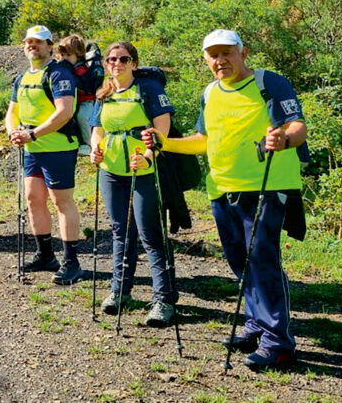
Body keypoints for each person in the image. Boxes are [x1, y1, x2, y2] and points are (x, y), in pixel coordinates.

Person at [144, 29, 306, 372]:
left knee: (261, 259)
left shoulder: (268, 82)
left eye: (227, 52)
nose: (220, 60)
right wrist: (164, 142)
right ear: (205, 59)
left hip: (266, 185)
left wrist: (284, 140)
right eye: (213, 55)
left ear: (243, 52)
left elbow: (296, 127)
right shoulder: (210, 92)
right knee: (239, 260)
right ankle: (256, 325)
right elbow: (203, 140)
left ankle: (278, 343)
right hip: (221, 188)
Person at [88, 42, 177, 327]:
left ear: (134, 63)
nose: (117, 63)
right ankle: (119, 290)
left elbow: (162, 125)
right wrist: (95, 148)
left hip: (143, 169)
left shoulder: (148, 89)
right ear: (105, 63)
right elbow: (97, 128)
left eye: (123, 59)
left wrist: (150, 156)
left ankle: (163, 299)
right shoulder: (104, 92)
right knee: (120, 230)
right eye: (112, 59)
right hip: (111, 169)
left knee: (149, 233)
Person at [6, 25, 83, 285]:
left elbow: (64, 111)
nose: (32, 46)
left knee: (62, 202)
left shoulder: (59, 73)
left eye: (38, 42)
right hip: (32, 149)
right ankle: (46, 254)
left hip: (57, 147)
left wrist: (34, 133)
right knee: (33, 199)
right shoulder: (22, 77)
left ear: (50, 46)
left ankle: (71, 261)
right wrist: (12, 132)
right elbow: (12, 112)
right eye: (29, 41)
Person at [56, 34, 104, 155]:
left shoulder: (80, 70)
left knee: (82, 117)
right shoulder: (67, 68)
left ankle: (90, 144)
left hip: (87, 101)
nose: (64, 58)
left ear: (78, 55)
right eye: (62, 55)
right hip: (78, 101)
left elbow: (83, 86)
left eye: (68, 55)